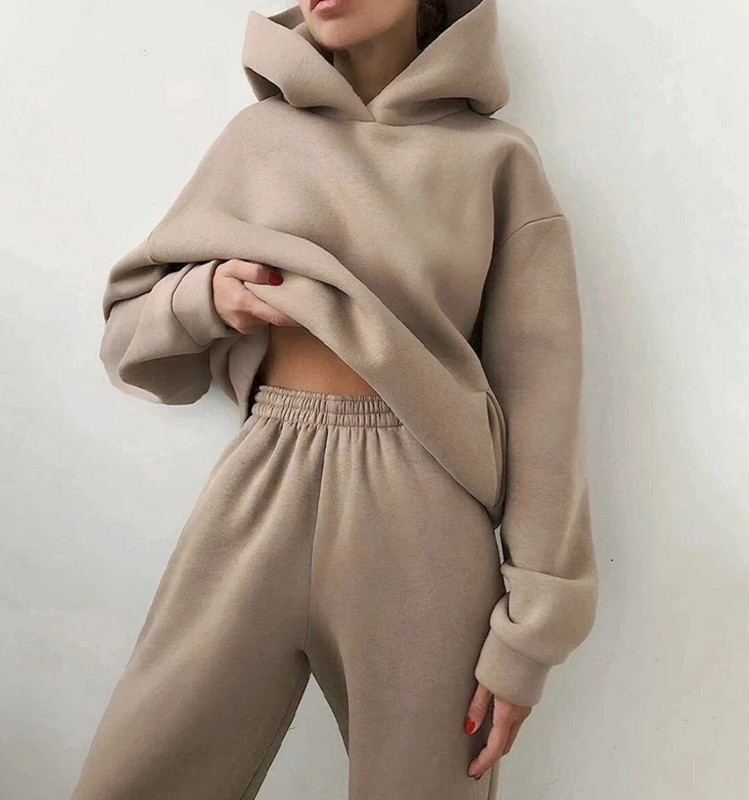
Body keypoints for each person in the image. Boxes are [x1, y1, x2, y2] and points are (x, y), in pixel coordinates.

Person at [70, 0, 599, 797]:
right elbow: (125, 334)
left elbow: (544, 401)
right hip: (264, 483)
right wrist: (208, 296)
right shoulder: (258, 140)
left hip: (425, 513)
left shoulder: (495, 160)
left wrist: (530, 637)